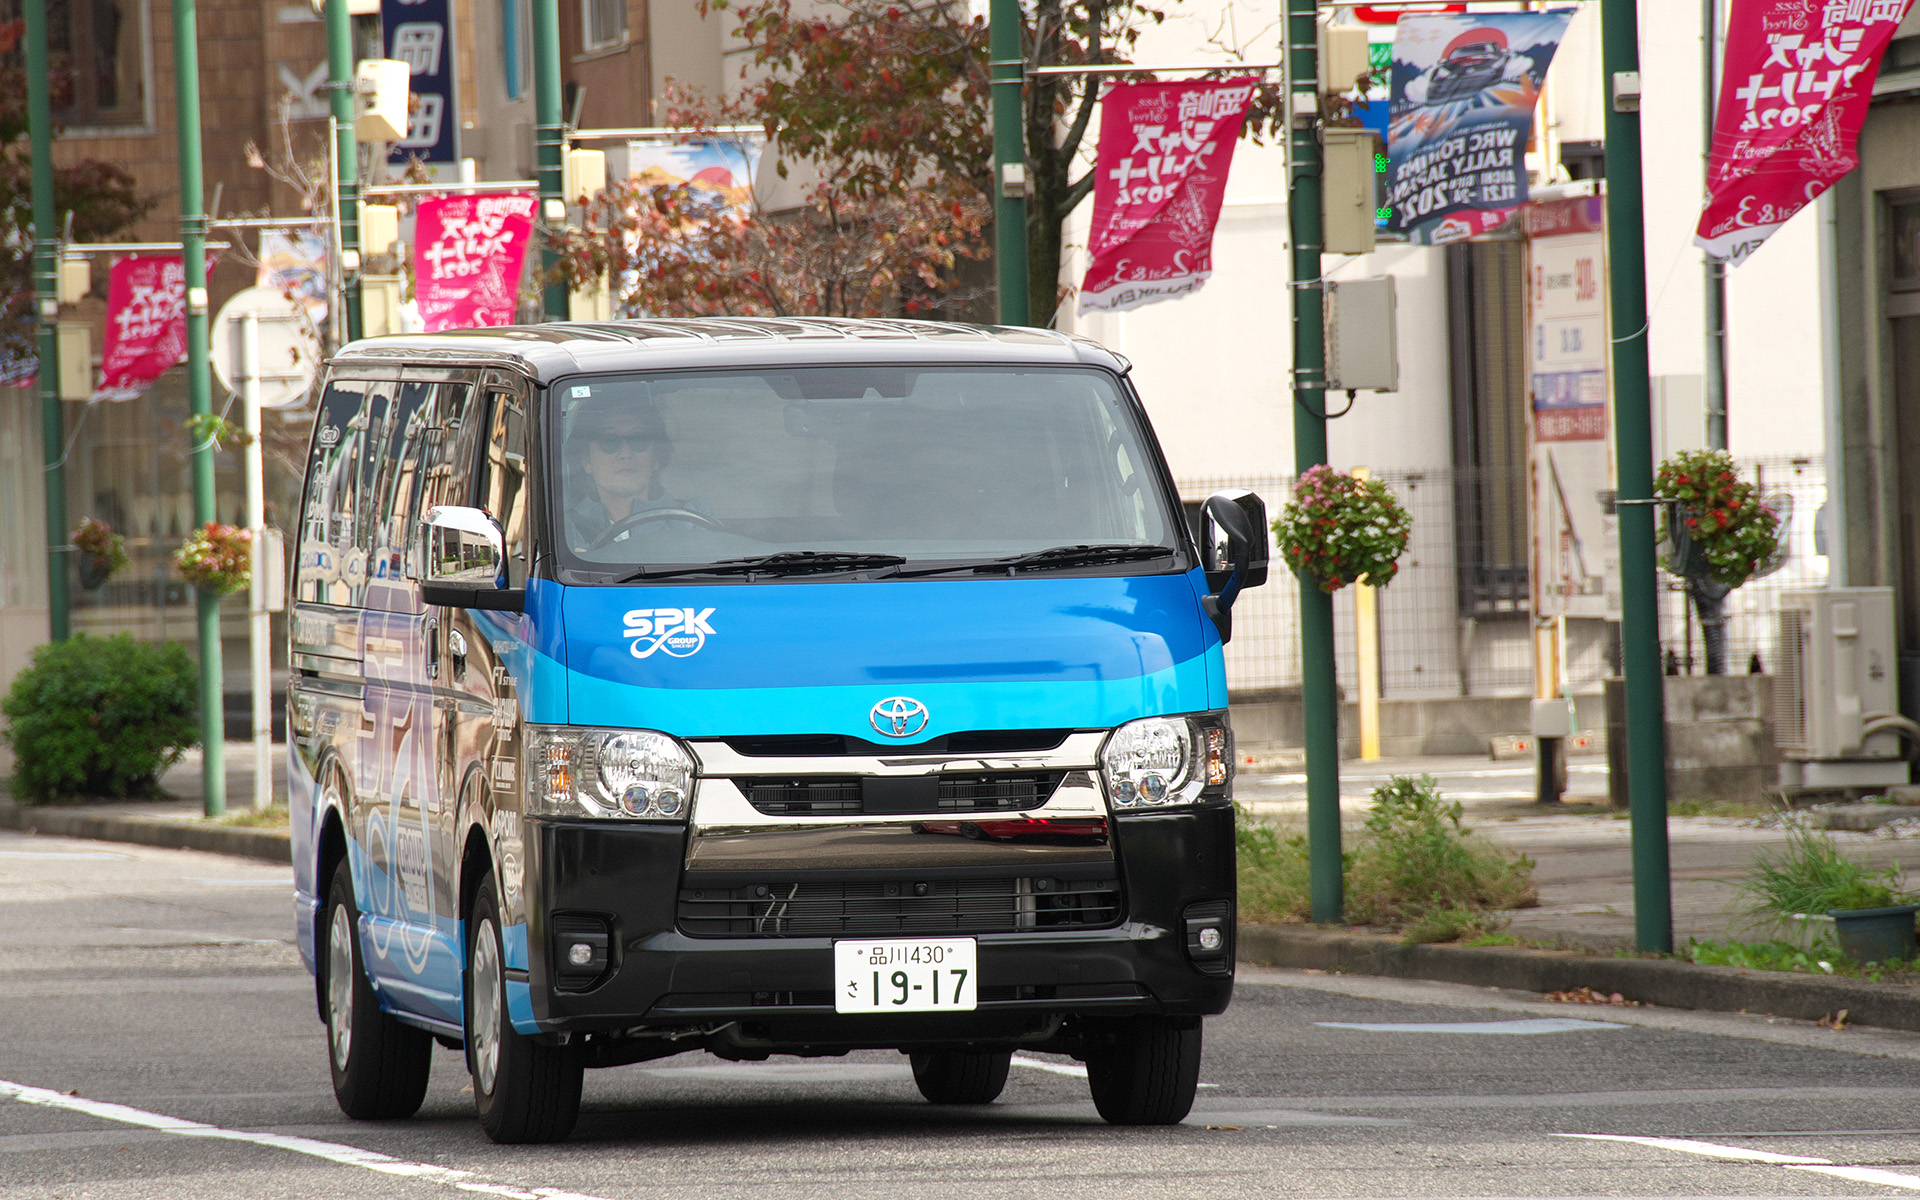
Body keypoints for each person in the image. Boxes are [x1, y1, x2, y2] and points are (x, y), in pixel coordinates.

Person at [563, 396, 702, 553]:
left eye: (638, 440)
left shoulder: (693, 520)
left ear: (656, 457)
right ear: (586, 461)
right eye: (610, 441)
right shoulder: (564, 531)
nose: (626, 453)